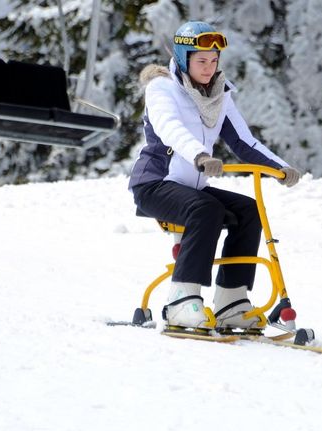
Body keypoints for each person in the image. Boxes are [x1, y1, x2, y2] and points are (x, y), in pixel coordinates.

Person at [128, 20, 301, 333]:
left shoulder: (219, 94)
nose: (208, 68)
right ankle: (181, 301)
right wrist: (200, 155)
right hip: (155, 184)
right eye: (200, 61)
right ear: (183, 59)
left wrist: (279, 167)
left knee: (247, 210)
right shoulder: (162, 88)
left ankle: (231, 301)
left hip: (190, 186)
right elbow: (170, 128)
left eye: (213, 60)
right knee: (205, 208)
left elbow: (242, 141)